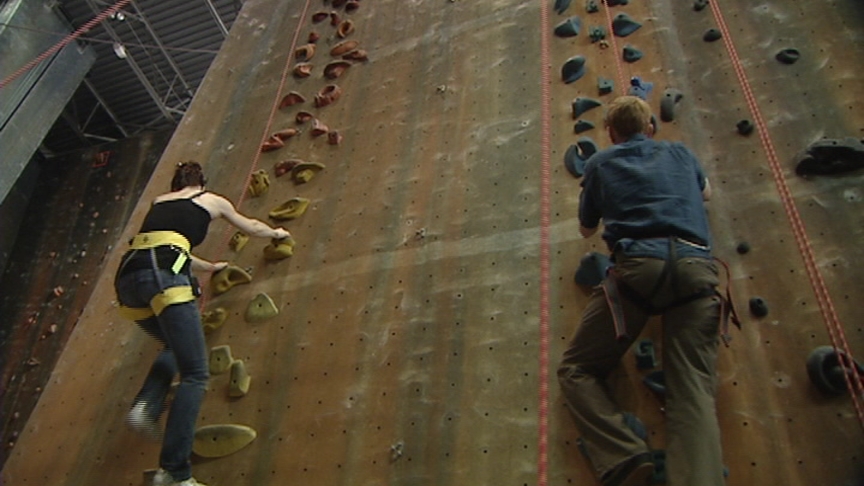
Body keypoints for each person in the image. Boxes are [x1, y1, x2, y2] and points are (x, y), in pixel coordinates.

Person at [557, 96, 727, 486]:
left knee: (577, 368)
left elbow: (586, 230)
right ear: (651, 126)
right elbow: (706, 195)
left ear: (610, 133)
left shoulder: (599, 162)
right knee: (692, 389)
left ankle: (624, 455)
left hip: (637, 272)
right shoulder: (681, 153)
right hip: (696, 267)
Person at [114, 161, 291, 486]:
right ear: (202, 182)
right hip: (162, 276)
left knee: (173, 344)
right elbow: (249, 226)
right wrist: (276, 232)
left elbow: (165, 249)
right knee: (195, 373)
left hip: (129, 279)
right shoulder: (211, 199)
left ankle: (147, 406)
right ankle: (175, 473)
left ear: (175, 183)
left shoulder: (159, 203)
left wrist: (210, 267)